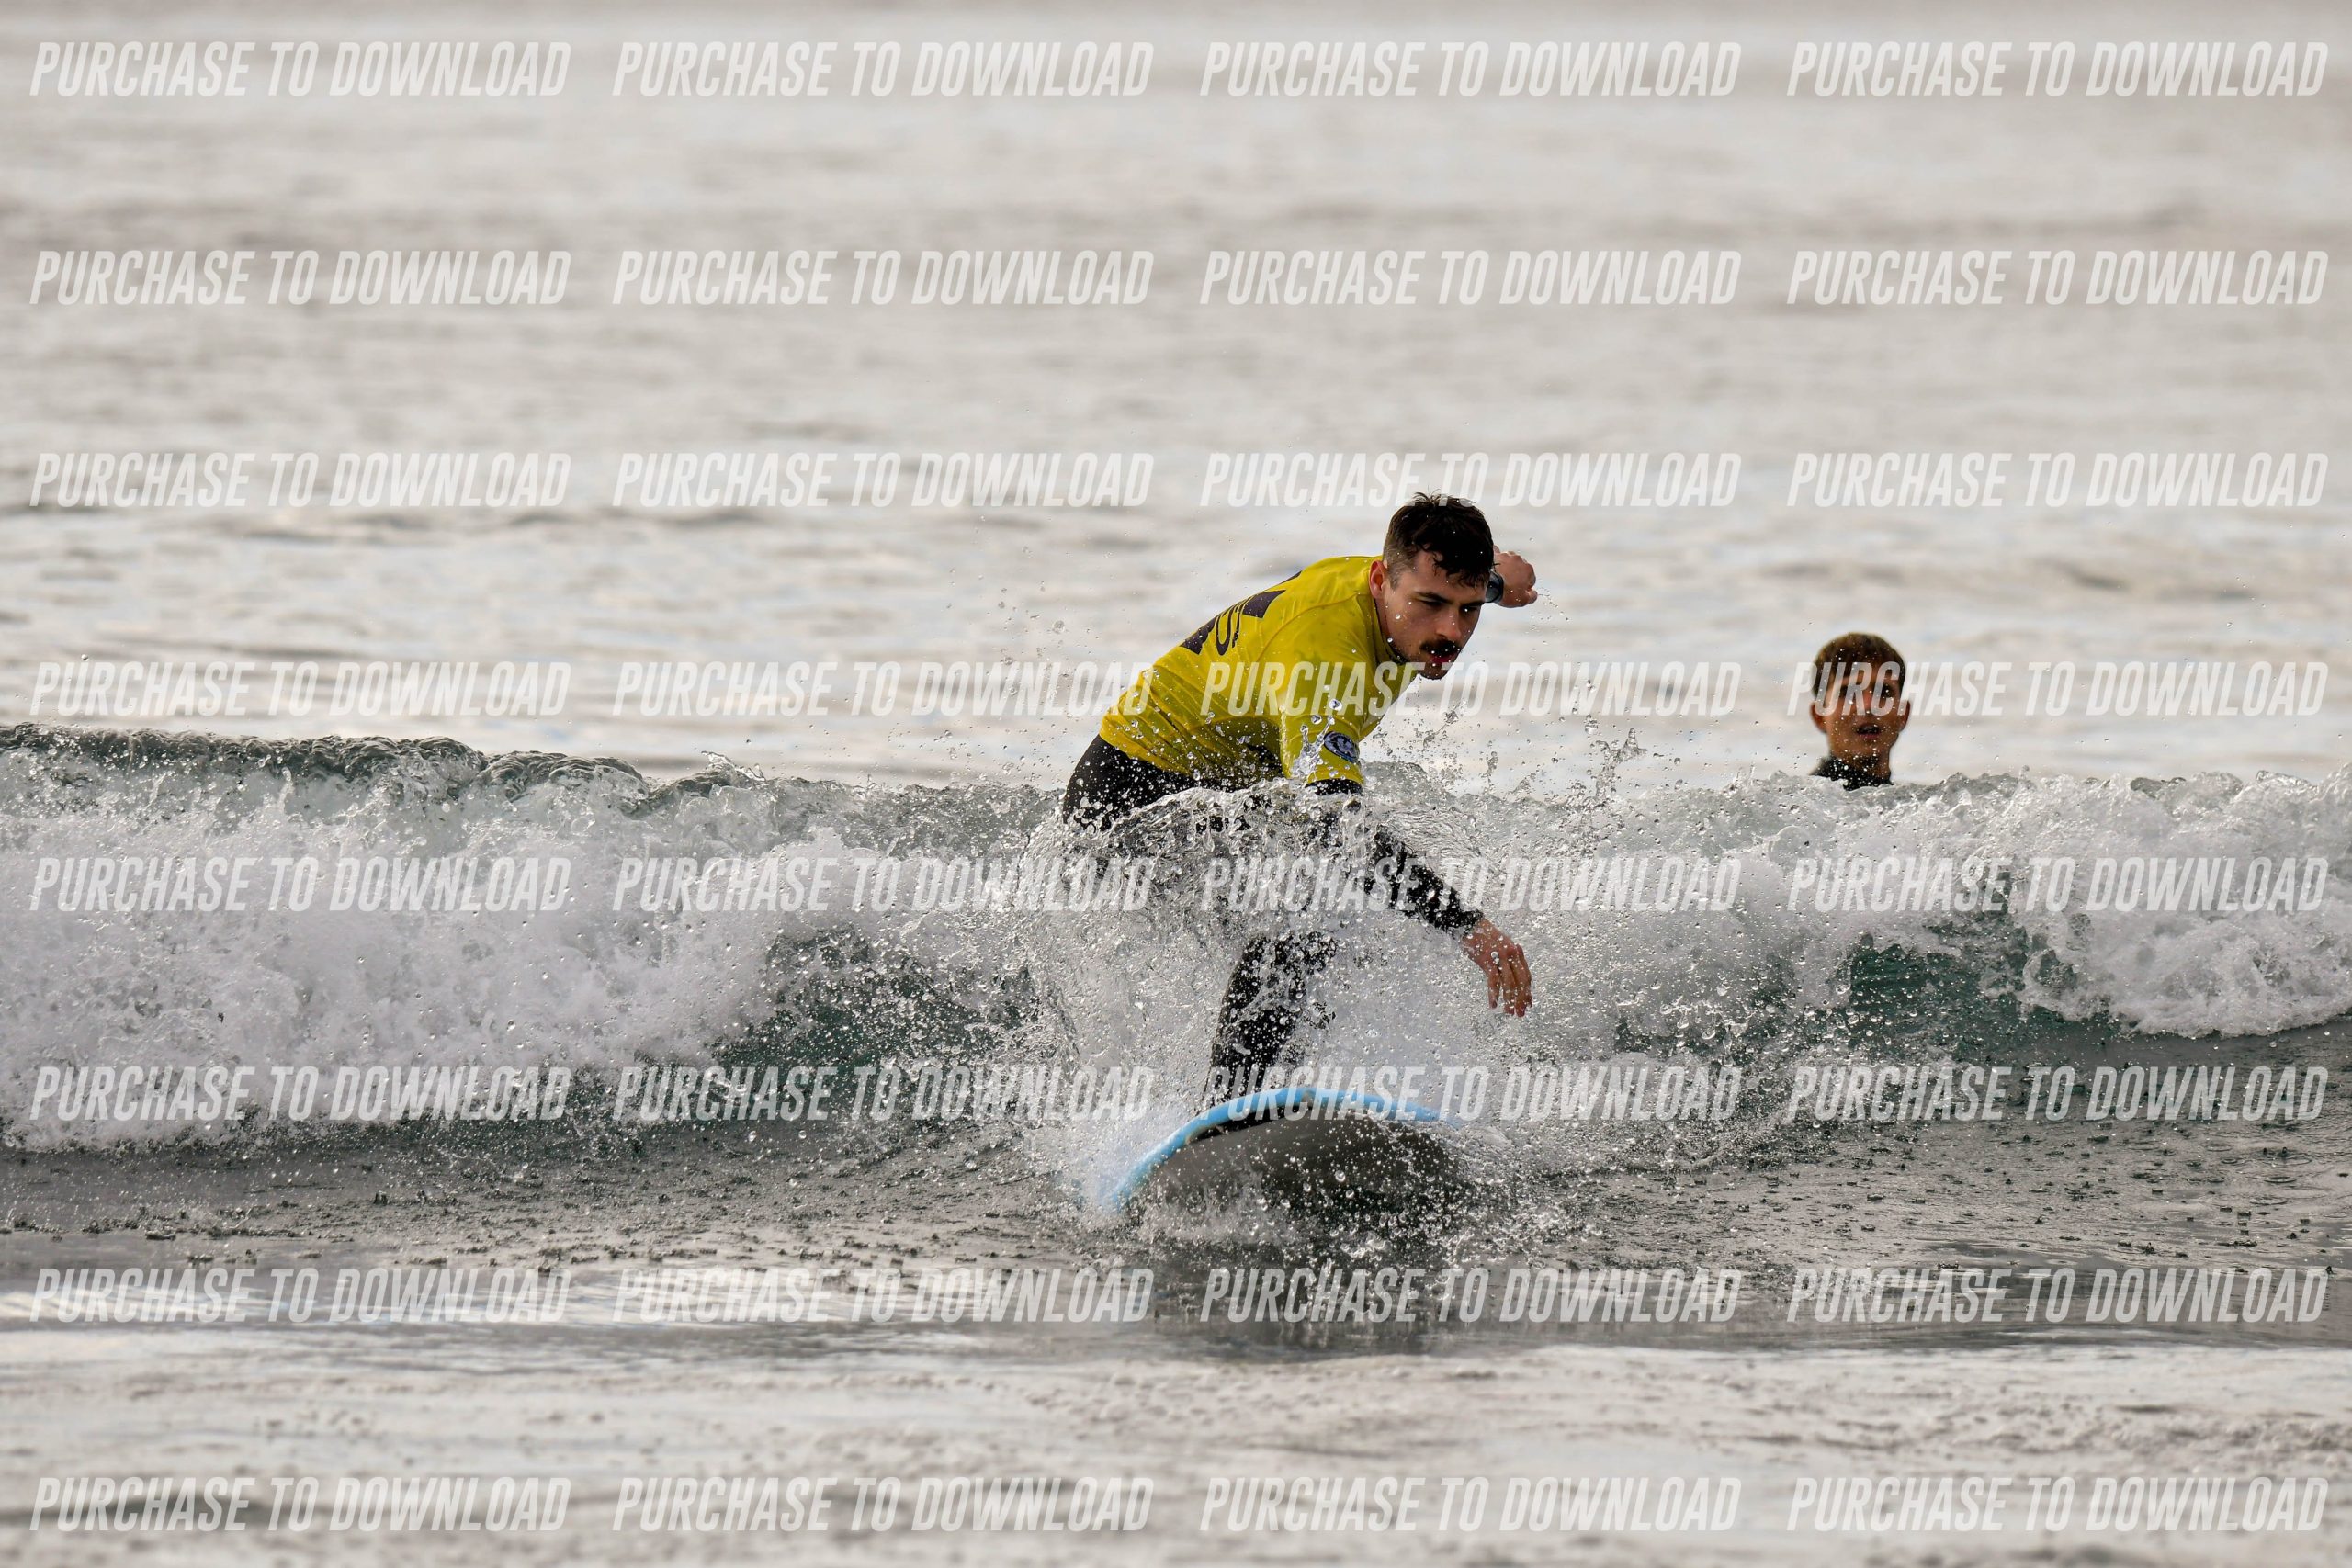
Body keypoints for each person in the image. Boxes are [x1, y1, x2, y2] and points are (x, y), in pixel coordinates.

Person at [1063, 494, 1536, 1104]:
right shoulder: (1324, 659)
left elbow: (1452, 587)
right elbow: (1340, 831)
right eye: (1431, 605)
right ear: (1380, 580)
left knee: (1327, 922)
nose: (1451, 632)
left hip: (1219, 786)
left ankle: (1264, 1097)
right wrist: (1468, 926)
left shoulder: (1413, 591)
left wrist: (1498, 585)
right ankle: (1227, 1112)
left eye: (1469, 609)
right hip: (1131, 797)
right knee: (1310, 907)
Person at [1807, 631, 1908, 789]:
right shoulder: (1806, 800)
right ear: (1819, 716)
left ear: (1903, 714)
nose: (1868, 706)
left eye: (1883, 692)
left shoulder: (1915, 801)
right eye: (1849, 693)